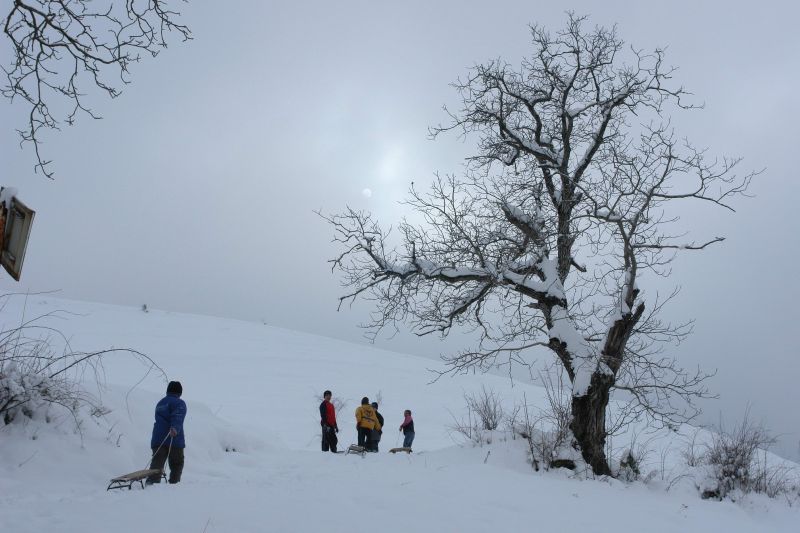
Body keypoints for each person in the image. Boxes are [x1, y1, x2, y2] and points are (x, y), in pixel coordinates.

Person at [147, 381, 187, 484]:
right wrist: (175, 428)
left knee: (157, 464)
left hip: (157, 439)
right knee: (177, 463)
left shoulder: (161, 403)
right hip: (174, 439)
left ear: (167, 391)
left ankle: (152, 484)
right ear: (180, 392)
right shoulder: (179, 403)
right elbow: (177, 416)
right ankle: (174, 484)